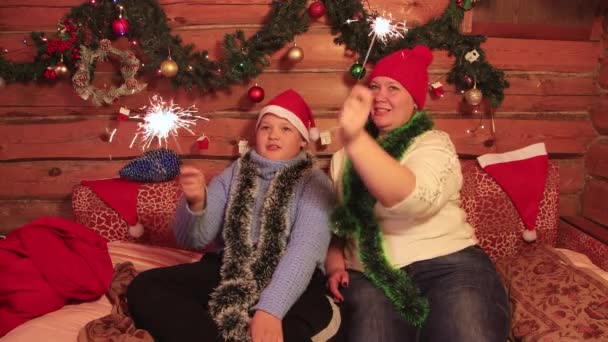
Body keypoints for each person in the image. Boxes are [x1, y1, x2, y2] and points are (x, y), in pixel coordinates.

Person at [326, 45, 511, 341]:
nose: (380, 96)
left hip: (448, 265)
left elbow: (415, 201)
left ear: (415, 102)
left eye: (393, 88)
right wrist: (334, 264)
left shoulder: (433, 143)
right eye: (374, 86)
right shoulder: (341, 160)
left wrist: (356, 139)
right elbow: (342, 228)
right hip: (374, 274)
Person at [127, 89, 338, 342]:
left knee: (300, 323)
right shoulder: (234, 174)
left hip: (290, 277)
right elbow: (193, 240)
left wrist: (270, 310)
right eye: (266, 127)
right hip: (231, 268)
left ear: (303, 140)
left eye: (286, 129)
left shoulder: (315, 183)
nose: (273, 135)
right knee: (145, 287)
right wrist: (196, 204)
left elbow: (304, 252)